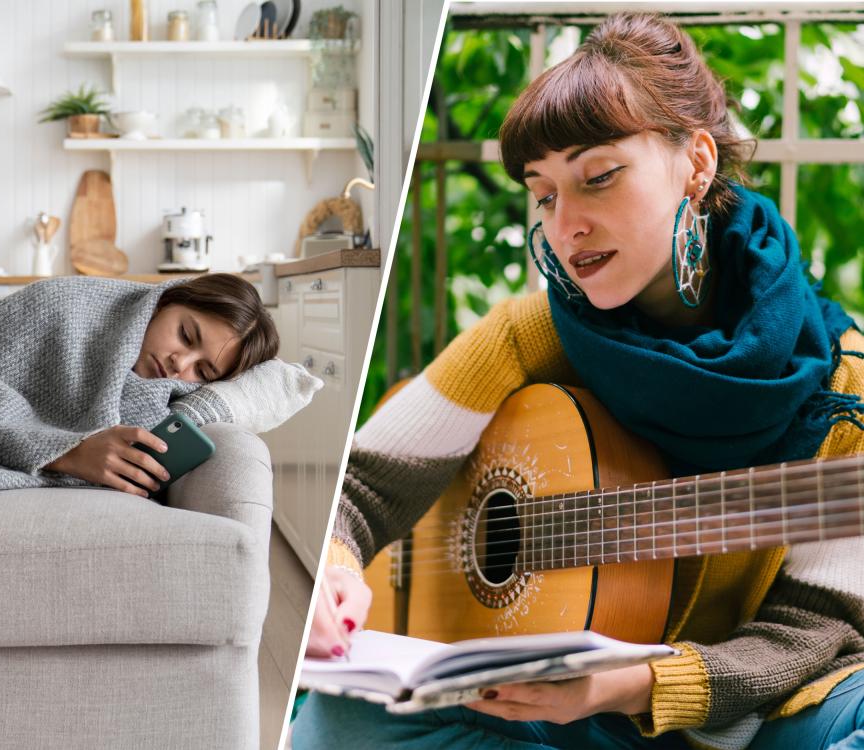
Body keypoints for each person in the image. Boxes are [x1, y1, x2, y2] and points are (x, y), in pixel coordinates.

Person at [292, 12, 864, 750]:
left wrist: (638, 682)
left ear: (696, 162)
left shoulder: (838, 381)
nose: (566, 228)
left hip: (754, 712)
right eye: (544, 193)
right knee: (334, 727)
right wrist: (332, 570)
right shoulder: (532, 334)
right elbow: (359, 488)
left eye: (598, 178)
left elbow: (812, 629)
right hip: (575, 715)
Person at [44, 273, 279, 498]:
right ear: (166, 302)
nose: (180, 363)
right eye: (185, 335)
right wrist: (68, 454)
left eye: (201, 371)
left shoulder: (166, 408)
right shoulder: (64, 303)